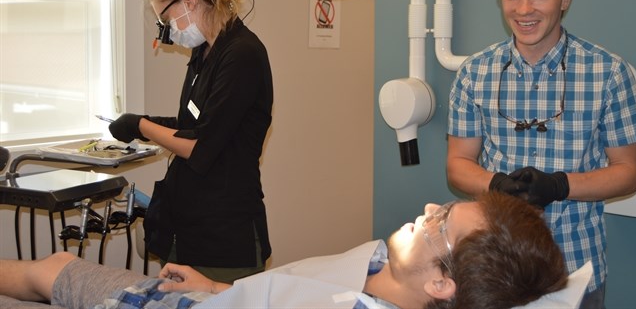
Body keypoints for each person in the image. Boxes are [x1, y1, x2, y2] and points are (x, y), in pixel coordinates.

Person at [446, 0, 636, 309]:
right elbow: (458, 165)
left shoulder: (609, 73)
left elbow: (629, 172)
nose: (524, 9)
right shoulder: (473, 73)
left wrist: (559, 185)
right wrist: (496, 184)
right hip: (493, 268)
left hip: (575, 267)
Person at [0, 192, 585, 309]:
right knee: (49, 270)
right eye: (442, 207)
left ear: (442, 283)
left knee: (53, 272)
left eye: (441, 224)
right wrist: (222, 289)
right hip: (214, 297)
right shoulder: (389, 266)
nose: (429, 211)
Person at [107, 0, 273, 283]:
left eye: (165, 19)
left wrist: (141, 126)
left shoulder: (242, 55)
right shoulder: (204, 54)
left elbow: (199, 147)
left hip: (226, 235)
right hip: (192, 225)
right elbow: (191, 125)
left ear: (188, 1)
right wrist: (145, 121)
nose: (167, 31)